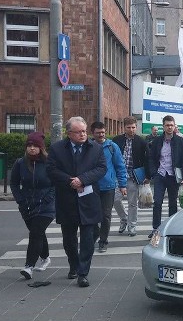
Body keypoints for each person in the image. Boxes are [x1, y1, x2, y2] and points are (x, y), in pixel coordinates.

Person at [46, 116, 106, 288]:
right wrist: (70, 181)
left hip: (88, 198)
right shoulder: (58, 148)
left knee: (89, 236)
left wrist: (82, 179)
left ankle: (83, 272)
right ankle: (74, 264)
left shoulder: (95, 148)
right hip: (67, 199)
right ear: (69, 133)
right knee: (69, 238)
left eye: (84, 131)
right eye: (78, 132)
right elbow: (51, 169)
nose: (83, 135)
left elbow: (101, 168)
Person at [10, 132, 55, 279]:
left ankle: (29, 266)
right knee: (38, 233)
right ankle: (46, 257)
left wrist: (49, 197)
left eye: (35, 145)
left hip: (46, 205)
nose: (32, 148)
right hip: (27, 204)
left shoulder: (49, 162)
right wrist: (20, 200)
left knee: (35, 232)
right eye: (29, 145)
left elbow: (56, 182)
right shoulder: (20, 163)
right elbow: (14, 183)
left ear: (41, 148)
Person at [147, 115, 183, 238]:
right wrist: (153, 172)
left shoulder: (180, 141)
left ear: (174, 125)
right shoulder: (156, 141)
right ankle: (156, 228)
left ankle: (171, 228)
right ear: (163, 126)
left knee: (173, 203)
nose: (169, 127)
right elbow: (151, 158)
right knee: (157, 203)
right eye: (167, 125)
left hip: (173, 176)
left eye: (171, 125)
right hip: (160, 175)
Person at [90, 122, 127, 253]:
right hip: (91, 187)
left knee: (106, 215)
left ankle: (103, 241)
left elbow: (120, 166)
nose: (101, 135)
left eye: (103, 132)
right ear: (92, 133)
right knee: (92, 215)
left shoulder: (112, 146)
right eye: (98, 133)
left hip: (108, 187)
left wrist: (123, 184)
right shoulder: (88, 146)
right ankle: (93, 236)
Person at [112, 116, 148, 237]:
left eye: (133, 127)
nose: (131, 130)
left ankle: (132, 226)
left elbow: (146, 160)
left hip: (133, 176)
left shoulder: (141, 141)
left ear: (136, 127)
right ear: (124, 127)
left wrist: (146, 176)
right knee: (115, 200)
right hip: (119, 176)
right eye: (129, 127)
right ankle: (124, 218)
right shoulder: (117, 140)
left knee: (132, 203)